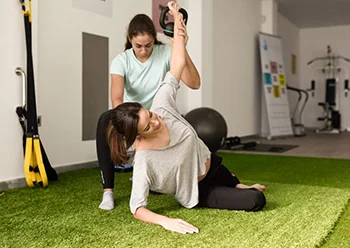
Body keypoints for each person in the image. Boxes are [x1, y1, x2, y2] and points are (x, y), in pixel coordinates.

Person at [107, 1, 266, 234]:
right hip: (198, 188)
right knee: (256, 200)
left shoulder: (161, 105)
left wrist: (178, 24)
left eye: (149, 114)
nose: (156, 121)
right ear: (139, 137)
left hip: (211, 164)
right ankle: (237, 189)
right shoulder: (144, 160)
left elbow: (178, 63)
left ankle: (236, 183)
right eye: (149, 125)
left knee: (236, 181)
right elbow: (137, 208)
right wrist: (165, 221)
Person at [97, 10, 200, 210]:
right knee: (104, 120)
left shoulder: (164, 53)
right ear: (130, 40)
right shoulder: (122, 60)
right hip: (135, 117)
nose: (144, 51)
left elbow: (194, 83)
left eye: (148, 45)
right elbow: (117, 98)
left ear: (154, 40)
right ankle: (108, 191)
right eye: (138, 46)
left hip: (158, 115)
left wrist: (181, 47)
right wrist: (131, 124)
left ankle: (159, 180)